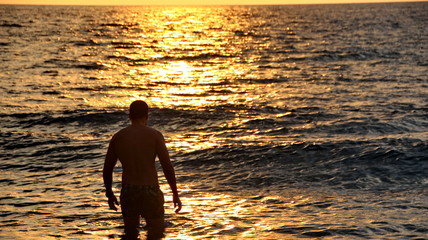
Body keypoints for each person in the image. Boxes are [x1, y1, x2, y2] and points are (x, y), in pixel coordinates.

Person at [103, 100, 182, 240]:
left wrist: (109, 193)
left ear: (129, 116)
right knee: (156, 233)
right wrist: (175, 193)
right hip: (150, 189)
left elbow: (107, 169)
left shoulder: (118, 137)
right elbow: (167, 166)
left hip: (129, 190)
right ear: (147, 116)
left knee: (130, 234)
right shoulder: (155, 135)